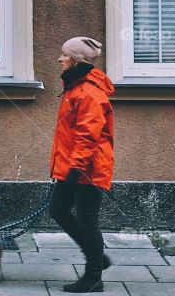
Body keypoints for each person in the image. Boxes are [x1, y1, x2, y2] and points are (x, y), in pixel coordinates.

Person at [48, 36, 115, 293]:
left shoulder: (89, 92)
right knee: (58, 209)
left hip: (87, 168)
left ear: (75, 59)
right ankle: (97, 257)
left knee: (88, 219)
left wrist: (76, 168)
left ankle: (94, 276)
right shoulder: (75, 87)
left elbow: (89, 136)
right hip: (74, 166)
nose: (60, 58)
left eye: (64, 54)